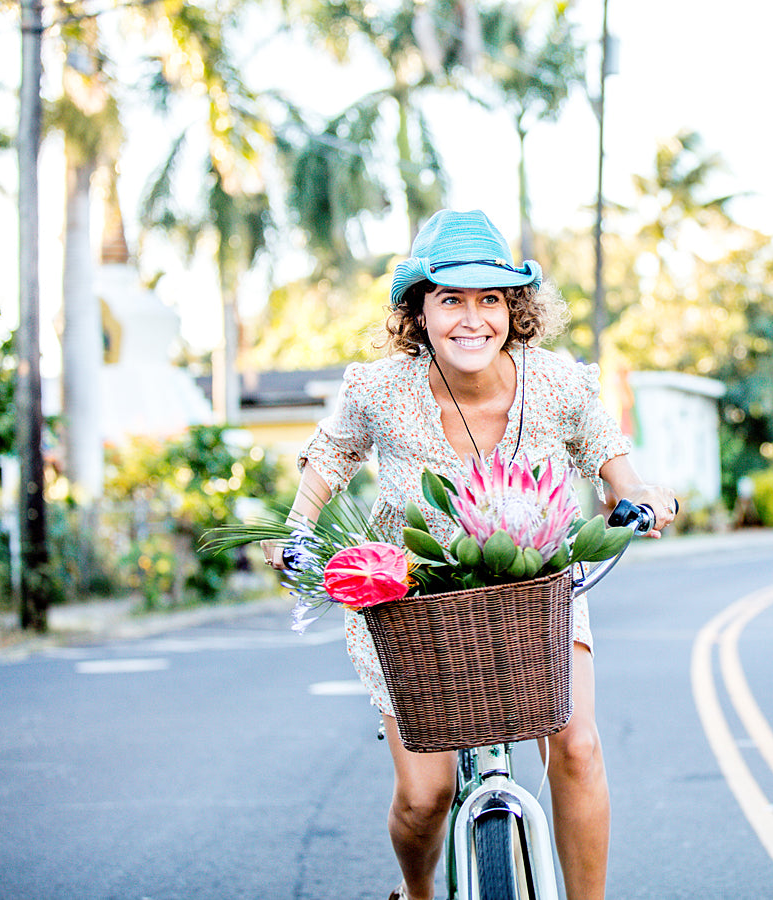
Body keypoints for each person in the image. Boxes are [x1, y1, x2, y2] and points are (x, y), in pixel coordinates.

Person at [261, 208, 677, 900]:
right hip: (411, 604)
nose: (471, 318)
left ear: (515, 310)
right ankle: (419, 894)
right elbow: (331, 455)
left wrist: (640, 497)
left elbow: (613, 464)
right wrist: (297, 529)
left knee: (577, 749)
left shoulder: (559, 384)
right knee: (425, 795)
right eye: (450, 298)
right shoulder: (378, 390)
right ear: (419, 312)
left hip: (535, 597)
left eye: (490, 298)